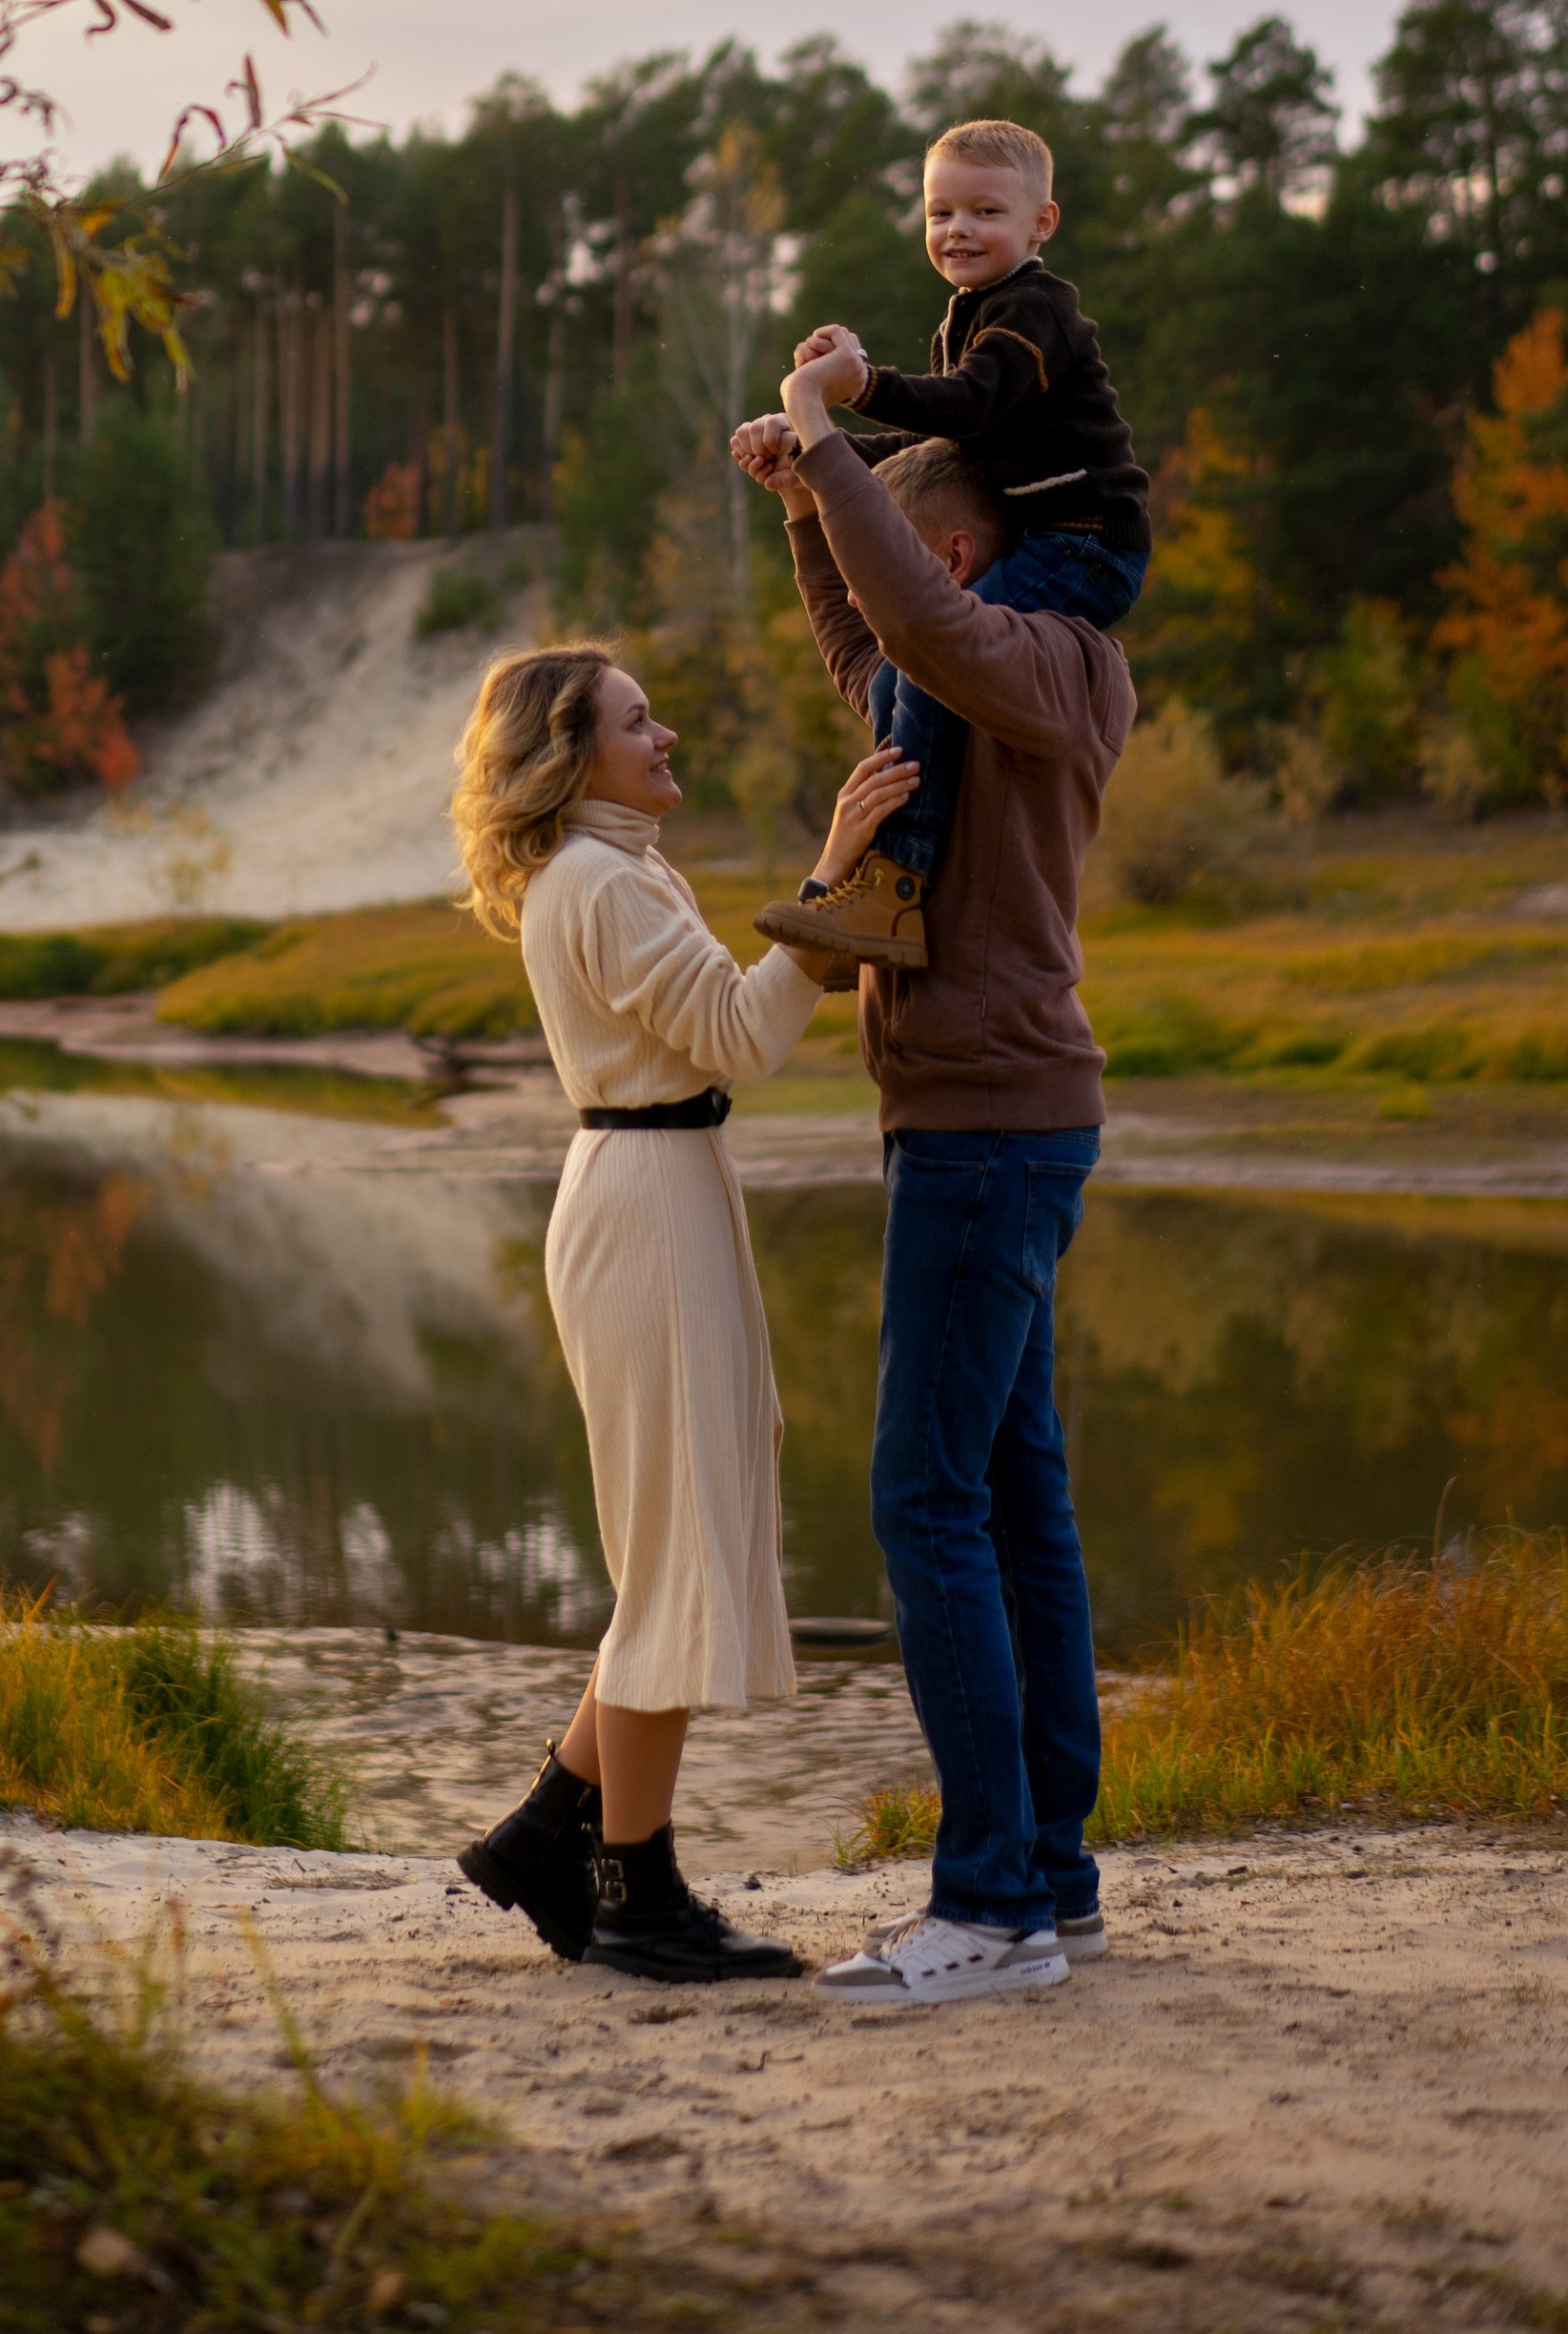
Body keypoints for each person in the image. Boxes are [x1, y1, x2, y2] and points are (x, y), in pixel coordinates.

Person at [729, 365, 1135, 2014]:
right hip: (973, 1123)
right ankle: (1056, 1884)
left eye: (897, 546)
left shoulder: (1046, 661)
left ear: (948, 555)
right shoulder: (947, 686)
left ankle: (986, 1909)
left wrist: (834, 451)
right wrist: (807, 516)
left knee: (926, 1503)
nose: (886, 583)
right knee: (1016, 1500)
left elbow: (923, 632)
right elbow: (869, 646)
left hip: (989, 1128)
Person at [447, 640, 919, 1984]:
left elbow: (723, 1034)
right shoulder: (598, 881)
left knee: (680, 1533)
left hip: (666, 1183)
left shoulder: (620, 868)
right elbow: (742, 1036)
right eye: (636, 723)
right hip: (646, 1201)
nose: (665, 740)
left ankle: (551, 1837)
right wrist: (832, 887)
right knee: (668, 1561)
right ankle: (631, 1895)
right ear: (571, 754)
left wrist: (836, 915)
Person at [781, 114, 1148, 974]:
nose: (959, 231)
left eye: (986, 212)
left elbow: (972, 407)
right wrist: (808, 444)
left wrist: (861, 386)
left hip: (1085, 541)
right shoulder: (970, 318)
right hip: (1045, 534)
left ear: (1040, 225)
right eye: (941, 213)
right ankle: (879, 881)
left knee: (930, 659)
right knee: (900, 678)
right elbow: (941, 449)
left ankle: (898, 882)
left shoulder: (1035, 313)